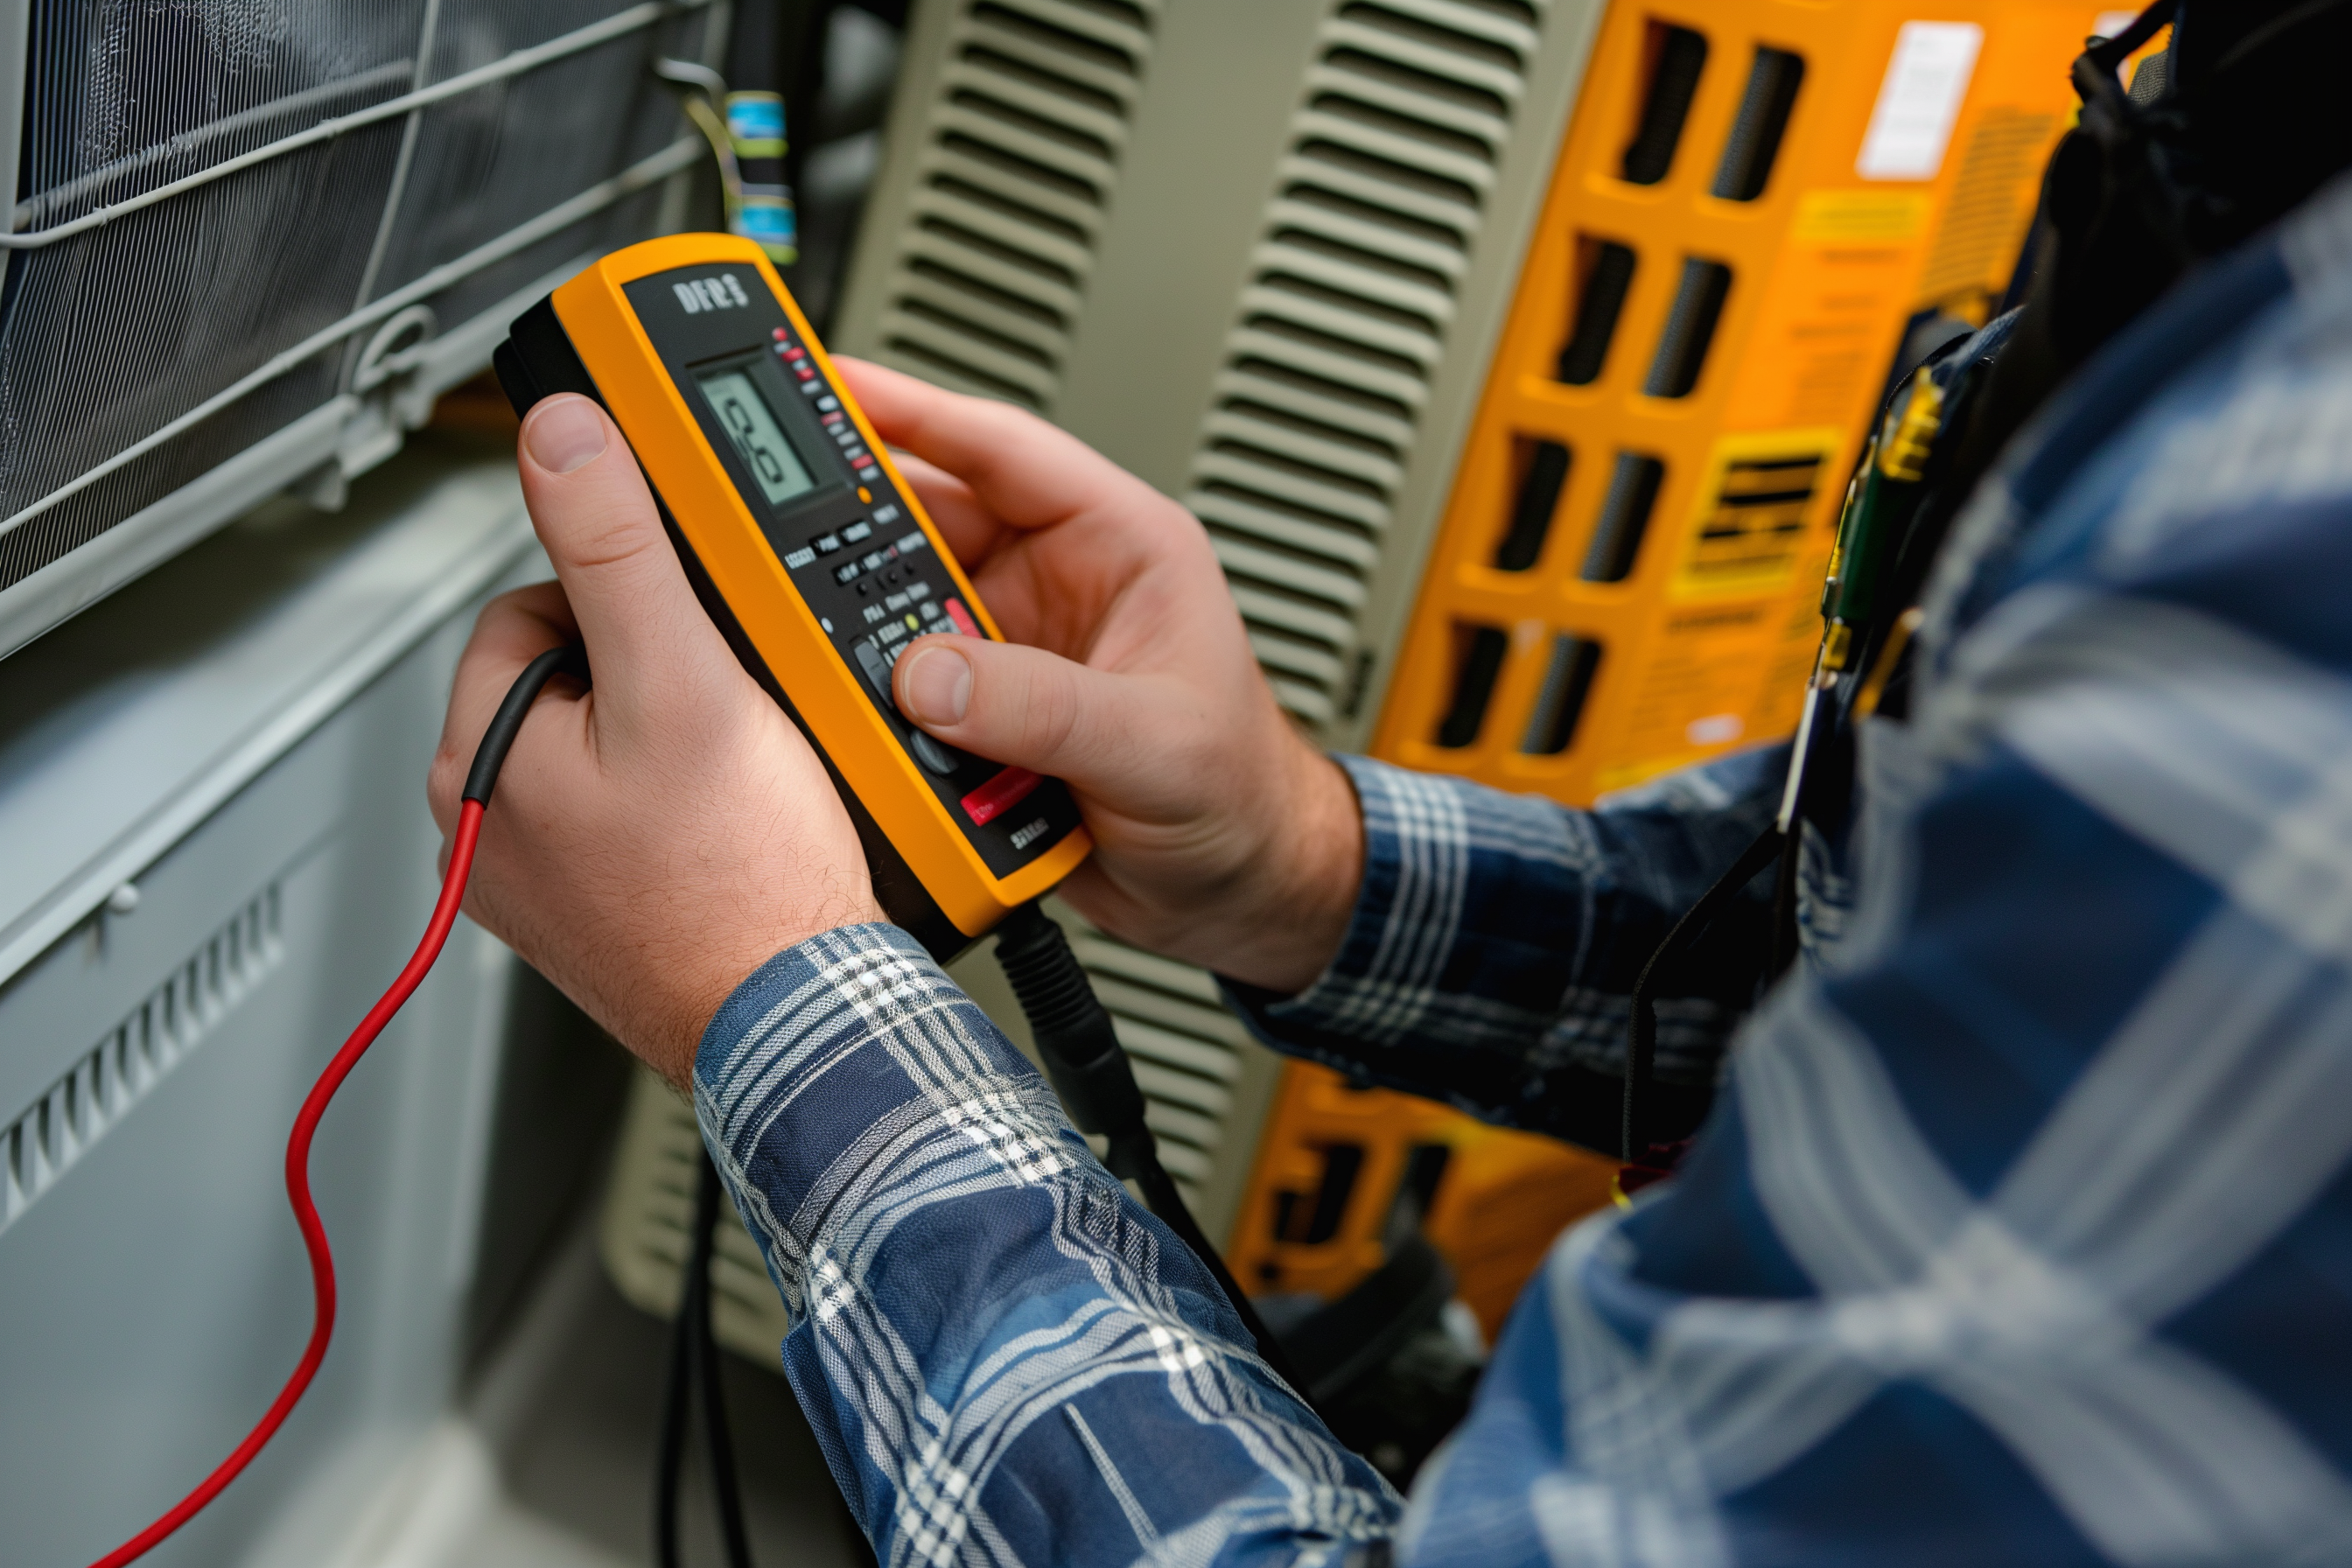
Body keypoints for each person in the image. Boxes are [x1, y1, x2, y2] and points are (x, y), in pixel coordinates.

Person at [427, 24, 2352, 1565]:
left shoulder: (2296, 511)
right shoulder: (2259, 151)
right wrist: (1293, 859)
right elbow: (1892, 934)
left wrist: (787, 1008)